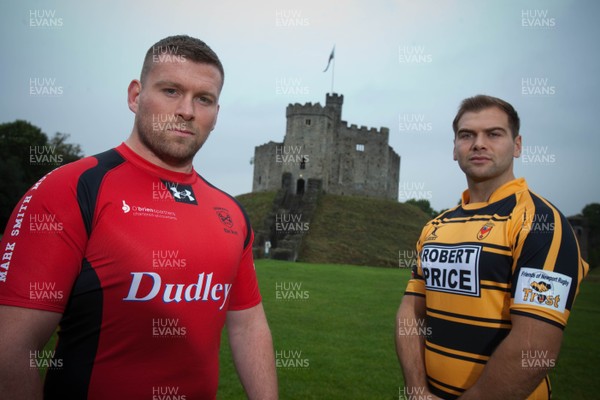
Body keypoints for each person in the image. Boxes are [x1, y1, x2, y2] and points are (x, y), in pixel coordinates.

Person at [0, 35, 278, 399]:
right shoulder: (71, 189)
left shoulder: (231, 213)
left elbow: (248, 326)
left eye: (203, 99)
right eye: (171, 91)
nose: (187, 111)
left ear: (216, 114)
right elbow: (10, 348)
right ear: (135, 96)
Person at [395, 95, 588, 400]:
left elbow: (535, 347)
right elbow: (411, 313)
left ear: (518, 145)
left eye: (494, 134)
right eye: (467, 135)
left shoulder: (541, 223)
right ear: (455, 149)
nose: (479, 144)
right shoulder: (436, 227)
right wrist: (417, 391)